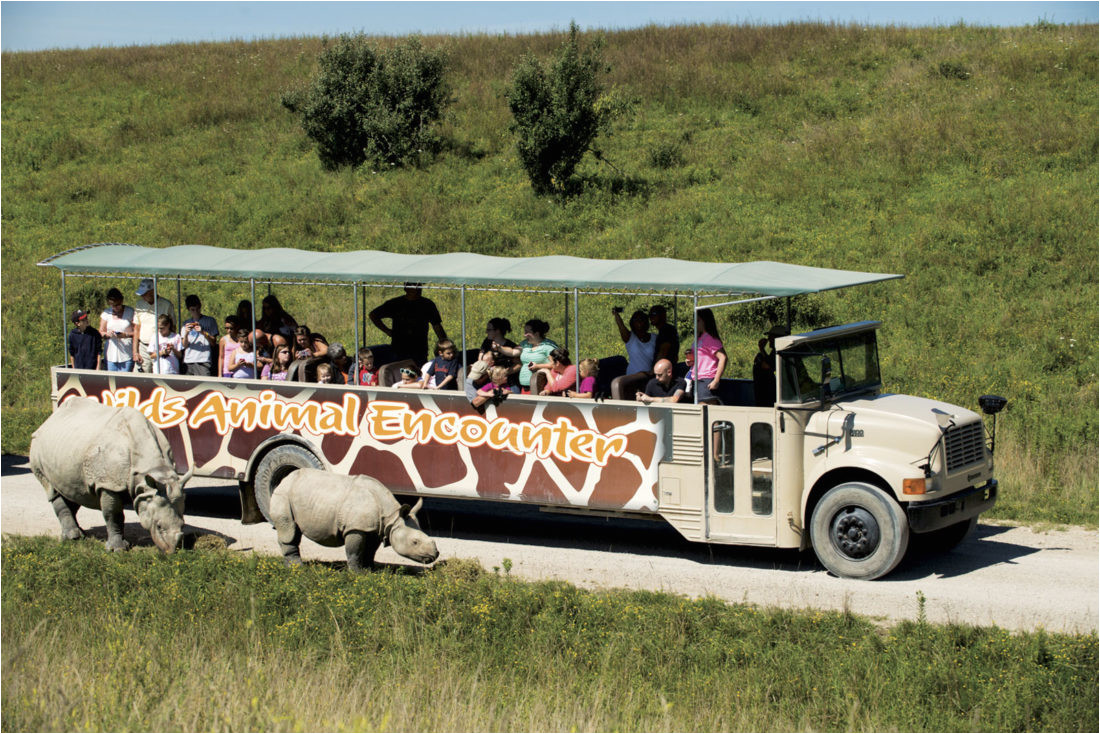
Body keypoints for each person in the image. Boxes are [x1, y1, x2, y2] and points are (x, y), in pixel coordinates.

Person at [369, 282, 447, 366]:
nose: (417, 289)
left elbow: (437, 326)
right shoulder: (395, 303)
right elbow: (373, 315)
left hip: (419, 349)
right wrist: (387, 331)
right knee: (402, 375)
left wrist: (445, 343)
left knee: (419, 374)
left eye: (419, 286)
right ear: (406, 288)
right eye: (414, 286)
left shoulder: (427, 304)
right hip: (399, 348)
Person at [495, 319, 557, 393]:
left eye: (527, 332)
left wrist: (538, 366)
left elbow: (555, 365)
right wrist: (499, 348)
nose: (525, 334)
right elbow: (513, 352)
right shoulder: (525, 344)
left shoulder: (548, 346)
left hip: (540, 388)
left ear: (536, 333)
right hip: (525, 388)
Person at [686, 308, 727, 404]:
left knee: (706, 410)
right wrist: (690, 361)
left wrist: (716, 380)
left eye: (698, 320)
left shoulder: (710, 338)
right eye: (694, 320)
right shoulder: (698, 338)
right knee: (701, 412)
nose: (695, 323)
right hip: (697, 379)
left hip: (707, 380)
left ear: (706, 321)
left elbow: (723, 357)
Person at [132, 279, 174, 373]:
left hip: (161, 347)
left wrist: (169, 346)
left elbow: (173, 327)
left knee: (162, 374)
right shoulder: (139, 304)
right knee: (142, 377)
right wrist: (135, 352)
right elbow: (136, 329)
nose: (142, 296)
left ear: (152, 292)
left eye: (144, 294)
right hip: (144, 346)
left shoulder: (167, 305)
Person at [180, 294, 219, 377]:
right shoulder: (186, 324)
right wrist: (186, 333)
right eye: (192, 310)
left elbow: (213, 343)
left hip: (203, 360)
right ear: (188, 310)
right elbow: (184, 345)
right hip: (188, 361)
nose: (196, 312)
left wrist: (203, 332)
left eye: (197, 309)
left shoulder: (210, 321)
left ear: (200, 306)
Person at [99, 288, 135, 373]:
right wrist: (107, 334)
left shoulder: (130, 312)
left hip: (127, 353)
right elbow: (100, 331)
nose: (115, 308)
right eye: (112, 305)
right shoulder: (106, 313)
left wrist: (125, 335)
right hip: (111, 353)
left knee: (125, 382)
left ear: (122, 301)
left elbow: (137, 332)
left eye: (118, 305)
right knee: (112, 381)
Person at [753, 326, 788, 407]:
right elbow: (769, 362)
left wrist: (761, 352)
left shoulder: (780, 351)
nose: (768, 339)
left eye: (771, 336)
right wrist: (762, 349)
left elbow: (768, 366)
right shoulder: (777, 351)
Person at [614, 308, 657, 375]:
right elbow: (621, 325)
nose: (639, 322)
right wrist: (616, 314)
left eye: (641, 319)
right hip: (632, 376)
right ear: (632, 323)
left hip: (649, 376)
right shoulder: (629, 337)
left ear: (645, 321)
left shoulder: (654, 337)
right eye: (636, 320)